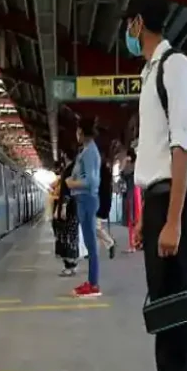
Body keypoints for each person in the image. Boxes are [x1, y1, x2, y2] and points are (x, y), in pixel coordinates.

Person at [120, 0, 187, 371]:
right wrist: (148, 218)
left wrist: (173, 219)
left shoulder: (175, 67)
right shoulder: (150, 72)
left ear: (140, 22)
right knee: (162, 305)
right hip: (154, 200)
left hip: (169, 199)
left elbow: (181, 145)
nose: (127, 32)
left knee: (176, 306)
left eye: (129, 24)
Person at [66, 116, 101, 297]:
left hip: (87, 199)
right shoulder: (88, 151)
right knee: (89, 243)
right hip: (84, 200)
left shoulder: (90, 153)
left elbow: (91, 181)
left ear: (81, 132)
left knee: (91, 244)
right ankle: (91, 281)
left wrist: (72, 183)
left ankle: (94, 285)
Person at [52, 158, 80, 276]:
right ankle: (72, 265)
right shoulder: (77, 168)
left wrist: (62, 207)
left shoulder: (70, 170)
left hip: (69, 209)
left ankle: (69, 266)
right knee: (72, 237)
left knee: (65, 236)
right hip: (75, 208)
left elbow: (67, 191)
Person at [97, 159, 116, 258]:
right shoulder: (105, 173)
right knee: (95, 227)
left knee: (96, 226)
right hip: (102, 203)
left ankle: (110, 242)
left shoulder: (100, 173)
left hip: (98, 203)